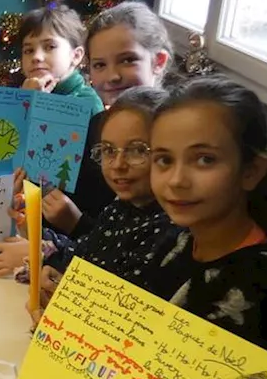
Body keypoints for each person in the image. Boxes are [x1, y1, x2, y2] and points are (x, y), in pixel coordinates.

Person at [137, 76, 267, 356]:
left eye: (205, 159)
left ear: (251, 171)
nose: (177, 180)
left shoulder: (265, 283)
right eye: (165, 160)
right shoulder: (176, 241)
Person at [0, 4, 102, 278]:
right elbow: (2, 145)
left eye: (49, 47)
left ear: (76, 56)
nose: (37, 57)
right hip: (26, 209)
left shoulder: (85, 102)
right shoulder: (30, 90)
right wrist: (25, 102)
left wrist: (32, 104)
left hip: (63, 219)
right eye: (28, 50)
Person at [41, 1, 173, 239]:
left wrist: (76, 223)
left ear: (158, 62)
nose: (112, 76)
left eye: (128, 60)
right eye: (100, 65)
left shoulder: (174, 138)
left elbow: (136, 247)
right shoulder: (94, 126)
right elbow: (61, 202)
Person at [33, 86, 171, 302]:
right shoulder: (119, 208)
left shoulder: (168, 231)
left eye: (137, 150)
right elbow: (84, 253)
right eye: (108, 150)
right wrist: (52, 265)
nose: (117, 164)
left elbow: (122, 304)